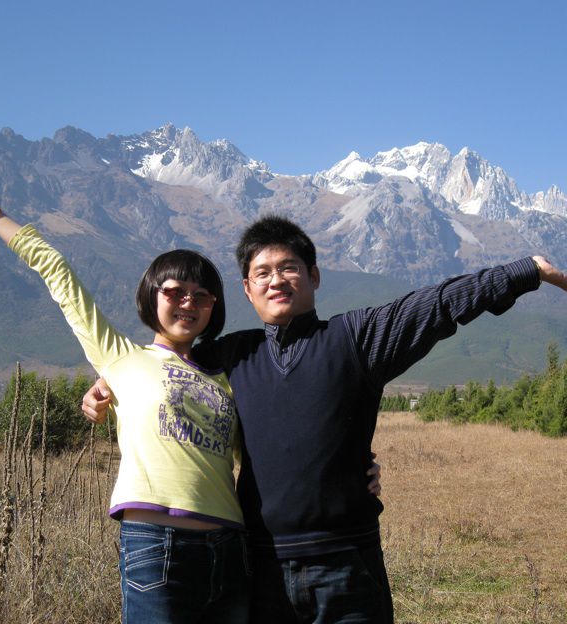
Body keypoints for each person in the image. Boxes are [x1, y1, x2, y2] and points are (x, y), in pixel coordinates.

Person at [0, 151, 383, 623]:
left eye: (202, 296)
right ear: (152, 297)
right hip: (156, 544)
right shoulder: (120, 357)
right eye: (174, 292)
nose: (188, 302)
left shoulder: (228, 375)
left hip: (233, 548)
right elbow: (56, 270)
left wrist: (356, 467)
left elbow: (280, 442)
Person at [83, 214, 567, 623]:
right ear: (247, 290)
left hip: (348, 563)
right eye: (262, 272)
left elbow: (438, 304)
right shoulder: (231, 355)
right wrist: (107, 384)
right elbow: (162, 369)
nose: (276, 280)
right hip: (261, 567)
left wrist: (527, 270)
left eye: (288, 267)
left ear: (314, 276)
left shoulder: (356, 338)